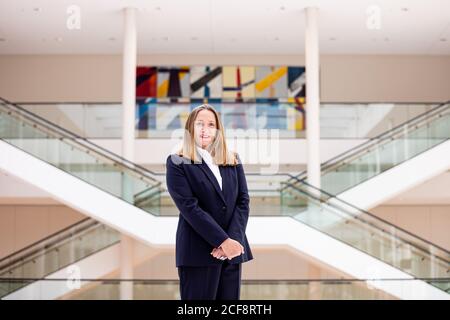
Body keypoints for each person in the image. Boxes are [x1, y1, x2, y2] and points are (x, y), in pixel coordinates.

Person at [166, 104, 253, 300]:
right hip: (197, 253)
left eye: (211, 124)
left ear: (217, 130)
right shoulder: (177, 162)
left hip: (232, 255)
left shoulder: (233, 160)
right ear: (190, 129)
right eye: (200, 124)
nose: (205, 129)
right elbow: (189, 207)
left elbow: (243, 201)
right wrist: (222, 241)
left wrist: (232, 241)